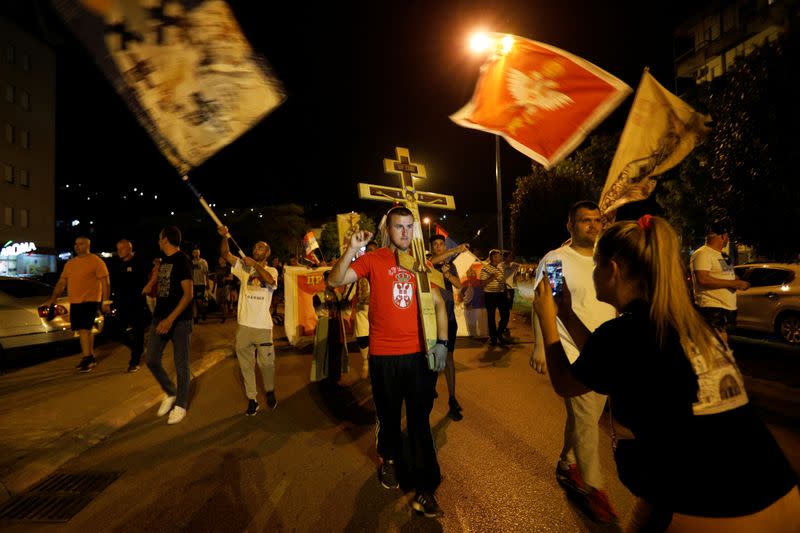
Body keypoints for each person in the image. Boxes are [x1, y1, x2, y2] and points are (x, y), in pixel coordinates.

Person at [533, 215, 800, 531]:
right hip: (780, 492)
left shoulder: (625, 335)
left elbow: (566, 383)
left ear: (613, 270)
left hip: (711, 509)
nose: (593, 273)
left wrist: (548, 321)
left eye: (597, 265)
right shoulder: (689, 325)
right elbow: (609, 360)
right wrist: (566, 314)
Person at [328, 206, 449, 519]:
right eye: (400, 227)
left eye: (410, 227)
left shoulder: (420, 263)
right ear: (388, 229)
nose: (406, 233)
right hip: (383, 356)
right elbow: (334, 280)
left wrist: (443, 344)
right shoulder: (374, 259)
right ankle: (390, 460)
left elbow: (438, 305)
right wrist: (353, 249)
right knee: (389, 416)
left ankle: (427, 486)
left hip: (418, 355)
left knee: (420, 421)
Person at [531, 200, 618, 523]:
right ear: (570, 226)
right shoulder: (556, 260)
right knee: (585, 419)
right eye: (585, 221)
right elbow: (546, 303)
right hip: (573, 352)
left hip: (606, 351)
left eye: (597, 221)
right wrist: (541, 346)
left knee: (588, 417)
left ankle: (567, 463)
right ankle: (593, 488)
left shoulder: (605, 258)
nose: (593, 226)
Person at [218, 225, 279, 415]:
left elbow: (269, 281)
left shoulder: (272, 270)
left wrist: (255, 265)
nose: (256, 250)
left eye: (261, 248)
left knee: (267, 364)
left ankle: (269, 390)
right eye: (255, 247)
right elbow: (225, 253)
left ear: (267, 253)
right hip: (244, 326)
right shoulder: (243, 268)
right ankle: (252, 399)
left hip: (263, 327)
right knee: (246, 366)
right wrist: (225, 236)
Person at [146, 226, 194, 425]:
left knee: (181, 364)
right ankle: (170, 391)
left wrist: (170, 319)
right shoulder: (164, 259)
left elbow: (188, 295)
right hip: (160, 317)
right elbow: (163, 282)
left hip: (179, 321)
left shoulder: (183, 260)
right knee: (151, 359)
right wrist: (150, 283)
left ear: (165, 239)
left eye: (159, 238)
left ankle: (181, 405)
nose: (158, 241)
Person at [45, 236, 110, 373]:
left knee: (84, 329)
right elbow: (62, 282)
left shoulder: (96, 261)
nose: (77, 246)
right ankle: (90, 357)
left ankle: (87, 358)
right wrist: (54, 297)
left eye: (80, 244)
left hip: (90, 301)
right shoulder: (70, 264)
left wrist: (105, 301)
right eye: (75, 244)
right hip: (75, 301)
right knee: (83, 331)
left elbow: (105, 282)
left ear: (88, 246)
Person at [429, 235, 469, 421]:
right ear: (431, 247)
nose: (439, 247)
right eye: (435, 245)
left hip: (450, 318)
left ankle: (452, 398)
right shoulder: (428, 263)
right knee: (432, 355)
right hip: (432, 320)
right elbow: (431, 261)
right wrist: (454, 250)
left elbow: (459, 285)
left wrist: (447, 274)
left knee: (450, 358)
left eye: (441, 244)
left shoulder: (448, 266)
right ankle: (429, 389)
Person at [690, 221, 750, 343]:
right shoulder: (702, 253)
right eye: (727, 236)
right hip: (712, 307)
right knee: (716, 343)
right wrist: (734, 284)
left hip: (727, 307)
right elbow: (703, 279)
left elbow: (728, 275)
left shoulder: (723, 255)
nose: (728, 239)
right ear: (722, 236)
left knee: (722, 340)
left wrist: (738, 280)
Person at [107, 239, 151, 373]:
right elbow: (112, 284)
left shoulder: (140, 262)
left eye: (121, 249)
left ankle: (135, 361)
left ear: (129, 249)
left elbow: (151, 275)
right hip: (121, 303)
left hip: (137, 303)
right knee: (116, 331)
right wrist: (108, 301)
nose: (119, 251)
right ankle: (137, 349)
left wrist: (148, 286)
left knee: (138, 332)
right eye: (117, 249)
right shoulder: (116, 265)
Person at [354, 240, 379, 380]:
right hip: (362, 312)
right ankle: (365, 362)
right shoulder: (360, 268)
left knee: (376, 343)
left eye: (373, 250)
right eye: (368, 250)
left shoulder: (382, 268)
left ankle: (375, 369)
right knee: (363, 339)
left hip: (378, 312)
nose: (371, 253)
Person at [480, 249, 510, 345]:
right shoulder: (485, 269)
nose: (498, 258)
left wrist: (507, 292)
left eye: (499, 256)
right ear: (491, 257)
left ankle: (499, 333)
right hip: (490, 295)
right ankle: (493, 338)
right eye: (496, 256)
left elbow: (503, 281)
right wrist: (491, 277)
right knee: (491, 317)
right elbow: (482, 283)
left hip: (501, 294)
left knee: (505, 315)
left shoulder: (501, 268)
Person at [191, 248, 209, 323]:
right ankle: (195, 318)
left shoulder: (203, 262)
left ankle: (203, 312)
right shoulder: (191, 262)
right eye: (194, 252)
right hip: (193, 285)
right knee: (194, 301)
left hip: (201, 284)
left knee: (199, 301)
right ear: (193, 254)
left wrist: (207, 283)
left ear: (199, 253)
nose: (196, 254)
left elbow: (207, 273)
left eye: (197, 252)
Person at [213, 256, 232, 322]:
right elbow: (215, 278)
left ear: (225, 260)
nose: (219, 260)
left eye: (221, 259)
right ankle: (226, 310)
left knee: (224, 301)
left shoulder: (228, 268)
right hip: (218, 286)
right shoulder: (217, 268)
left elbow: (231, 278)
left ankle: (224, 316)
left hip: (225, 286)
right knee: (218, 301)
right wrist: (213, 287)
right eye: (219, 259)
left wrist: (225, 278)